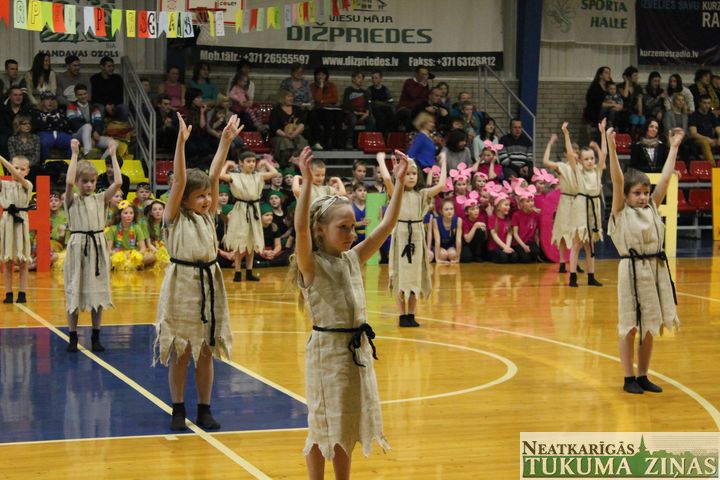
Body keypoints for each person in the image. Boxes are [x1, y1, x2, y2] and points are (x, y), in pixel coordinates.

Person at [292, 144, 406, 480]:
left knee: (348, 424)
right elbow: (300, 229)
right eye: (343, 227)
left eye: (353, 227)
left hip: (356, 352)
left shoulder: (353, 258)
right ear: (320, 230)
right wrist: (306, 182)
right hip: (327, 353)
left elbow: (388, 224)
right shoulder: (311, 264)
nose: (351, 234)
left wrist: (399, 182)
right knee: (322, 425)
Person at [154, 112, 240, 431]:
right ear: (184, 199)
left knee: (206, 350)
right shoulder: (173, 217)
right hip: (182, 283)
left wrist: (225, 142)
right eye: (200, 196)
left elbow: (214, 174)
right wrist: (180, 143)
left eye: (207, 195)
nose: (207, 199)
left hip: (210, 283)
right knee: (181, 349)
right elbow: (178, 181)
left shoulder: (208, 215)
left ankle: (204, 408)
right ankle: (178, 408)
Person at [606, 126, 683, 394]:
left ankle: (643, 375)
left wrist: (674, 147)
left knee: (649, 325)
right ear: (627, 195)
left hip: (654, 269)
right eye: (637, 193)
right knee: (630, 325)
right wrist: (612, 148)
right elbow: (617, 180)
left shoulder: (652, 207)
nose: (643, 197)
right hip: (631, 271)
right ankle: (628, 377)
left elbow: (665, 179)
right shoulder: (620, 212)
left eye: (645, 192)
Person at [377, 150, 447, 327]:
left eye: (414, 173)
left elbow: (441, 185)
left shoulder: (421, 194)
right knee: (401, 277)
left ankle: (411, 314)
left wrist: (444, 162)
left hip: (416, 235)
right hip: (401, 235)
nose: (411, 177)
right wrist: (380, 160)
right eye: (407, 173)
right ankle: (402, 315)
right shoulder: (397, 193)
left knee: (415, 277)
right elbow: (387, 179)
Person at [64, 139, 122, 352]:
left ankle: (96, 335)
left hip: (97, 246)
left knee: (98, 292)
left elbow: (118, 183)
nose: (88, 185)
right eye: (84, 181)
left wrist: (113, 155)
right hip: (78, 247)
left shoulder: (100, 199)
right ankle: (72, 336)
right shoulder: (71, 199)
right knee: (74, 291)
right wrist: (74, 154)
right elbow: (68, 182)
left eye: (92, 181)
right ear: (78, 182)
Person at [221, 151, 278, 282]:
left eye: (253, 161)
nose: (252, 164)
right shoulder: (235, 176)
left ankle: (249, 271)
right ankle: (237, 272)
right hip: (241, 209)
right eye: (248, 161)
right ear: (241, 163)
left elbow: (274, 173)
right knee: (239, 242)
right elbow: (220, 175)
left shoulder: (258, 176)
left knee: (251, 242)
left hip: (254, 209)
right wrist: (227, 164)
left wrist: (265, 163)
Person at [565, 122, 606, 288]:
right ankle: (572, 277)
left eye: (592, 158)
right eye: (586, 159)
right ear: (580, 161)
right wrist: (566, 134)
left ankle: (591, 276)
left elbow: (604, 154)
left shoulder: (597, 171)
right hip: (581, 206)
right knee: (577, 243)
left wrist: (602, 134)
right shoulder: (578, 171)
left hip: (594, 207)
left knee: (591, 244)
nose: (590, 161)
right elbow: (570, 154)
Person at [543, 131, 581, 273]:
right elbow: (545, 161)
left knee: (577, 233)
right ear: (566, 153)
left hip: (578, 201)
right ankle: (562, 262)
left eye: (577, 151)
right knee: (563, 232)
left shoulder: (581, 167)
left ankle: (575, 261)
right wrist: (550, 144)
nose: (575, 154)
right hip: (565, 200)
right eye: (572, 151)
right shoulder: (562, 166)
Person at [0, 154, 32, 304]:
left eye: (22, 169)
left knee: (23, 261)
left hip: (21, 223)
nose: (18, 171)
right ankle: (8, 293)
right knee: (7, 261)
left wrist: (1, 159)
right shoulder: (3, 185)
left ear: (28, 171)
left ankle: (22, 293)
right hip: (7, 223)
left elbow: (17, 176)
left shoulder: (28, 185)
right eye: (16, 167)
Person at [106, 200, 156, 270]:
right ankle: (132, 266)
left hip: (133, 254)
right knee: (108, 260)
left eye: (131, 213)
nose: (129, 216)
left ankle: (128, 265)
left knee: (151, 257)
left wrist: (132, 255)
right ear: (119, 215)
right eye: (125, 213)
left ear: (134, 215)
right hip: (118, 255)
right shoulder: (113, 228)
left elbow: (143, 248)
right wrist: (117, 254)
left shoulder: (136, 227)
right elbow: (108, 249)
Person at [269, 90, 309, 168]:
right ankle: (284, 166)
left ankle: (296, 166)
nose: (291, 98)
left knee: (302, 141)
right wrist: (287, 135)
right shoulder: (276, 111)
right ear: (282, 98)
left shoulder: (297, 109)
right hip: (280, 136)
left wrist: (294, 134)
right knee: (286, 143)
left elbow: (302, 124)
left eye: (292, 96)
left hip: (295, 135)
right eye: (289, 96)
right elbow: (275, 128)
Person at [308, 67, 344, 150]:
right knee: (328, 116)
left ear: (326, 76)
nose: (321, 77)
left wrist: (323, 100)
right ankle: (326, 141)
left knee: (339, 116)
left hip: (331, 109)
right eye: (319, 75)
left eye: (323, 75)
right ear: (315, 76)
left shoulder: (331, 85)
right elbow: (317, 99)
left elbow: (335, 99)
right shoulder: (312, 86)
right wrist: (321, 87)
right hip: (319, 110)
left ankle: (338, 141)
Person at [33, 91, 72, 162]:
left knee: (72, 141)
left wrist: (49, 121)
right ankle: (44, 165)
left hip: (60, 133)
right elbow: (39, 126)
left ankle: (70, 165)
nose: (50, 102)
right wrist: (53, 121)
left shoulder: (60, 112)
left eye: (52, 99)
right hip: (45, 134)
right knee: (44, 143)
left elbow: (65, 125)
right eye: (47, 99)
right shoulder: (37, 113)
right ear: (42, 101)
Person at [342, 70, 374, 150]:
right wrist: (355, 112)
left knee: (372, 120)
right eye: (359, 77)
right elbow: (346, 104)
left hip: (362, 113)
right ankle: (349, 141)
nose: (361, 80)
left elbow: (368, 104)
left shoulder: (365, 92)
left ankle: (366, 140)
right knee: (352, 119)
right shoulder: (348, 90)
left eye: (362, 78)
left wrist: (367, 113)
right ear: (353, 79)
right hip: (352, 112)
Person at [90, 56, 128, 121]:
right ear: (102, 67)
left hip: (114, 105)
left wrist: (113, 105)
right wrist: (106, 105)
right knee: (100, 108)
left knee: (124, 108)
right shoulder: (95, 78)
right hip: (100, 104)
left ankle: (122, 126)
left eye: (113, 66)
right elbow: (95, 96)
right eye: (109, 66)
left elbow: (120, 95)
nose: (112, 68)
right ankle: (99, 126)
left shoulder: (117, 78)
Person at [396, 66, 430, 131]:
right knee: (412, 114)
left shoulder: (425, 84)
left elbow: (425, 98)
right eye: (423, 74)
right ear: (417, 74)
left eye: (426, 74)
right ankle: (410, 133)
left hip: (418, 108)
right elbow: (413, 95)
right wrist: (421, 85)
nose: (425, 76)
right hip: (405, 108)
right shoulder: (409, 82)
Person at [511, 187, 541, 263]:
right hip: (519, 242)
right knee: (525, 259)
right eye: (527, 201)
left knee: (536, 252)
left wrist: (537, 246)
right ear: (521, 204)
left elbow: (536, 233)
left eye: (532, 201)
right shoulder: (516, 215)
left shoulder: (536, 215)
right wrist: (523, 246)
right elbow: (515, 233)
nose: (531, 203)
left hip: (530, 241)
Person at [688, 94, 720, 161]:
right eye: (704, 103)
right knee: (704, 142)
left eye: (709, 103)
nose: (707, 105)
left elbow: (718, 129)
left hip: (711, 139)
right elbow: (693, 133)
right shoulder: (694, 116)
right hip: (698, 140)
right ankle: (712, 165)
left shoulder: (711, 115)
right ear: (699, 103)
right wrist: (707, 139)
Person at [459, 193, 486, 263]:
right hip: (467, 244)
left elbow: (485, 236)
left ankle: (477, 255)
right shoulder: (464, 221)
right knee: (466, 258)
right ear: (466, 212)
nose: (476, 211)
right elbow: (467, 240)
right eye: (472, 209)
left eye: (477, 208)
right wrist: (475, 226)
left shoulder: (481, 217)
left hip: (478, 245)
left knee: (480, 230)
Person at [434, 198, 461, 264]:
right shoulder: (436, 221)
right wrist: (437, 259)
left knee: (453, 255)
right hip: (440, 246)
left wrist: (458, 258)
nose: (449, 211)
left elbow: (458, 240)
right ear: (441, 211)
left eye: (451, 209)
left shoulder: (458, 220)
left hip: (450, 246)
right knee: (443, 255)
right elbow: (437, 240)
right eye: (446, 209)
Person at [367, 70, 395, 134]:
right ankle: (381, 137)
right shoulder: (369, 90)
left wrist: (379, 103)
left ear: (381, 79)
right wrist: (370, 114)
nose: (374, 80)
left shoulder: (385, 89)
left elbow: (391, 103)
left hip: (386, 110)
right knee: (381, 119)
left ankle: (390, 137)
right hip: (375, 110)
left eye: (376, 78)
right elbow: (369, 104)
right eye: (373, 78)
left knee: (392, 118)